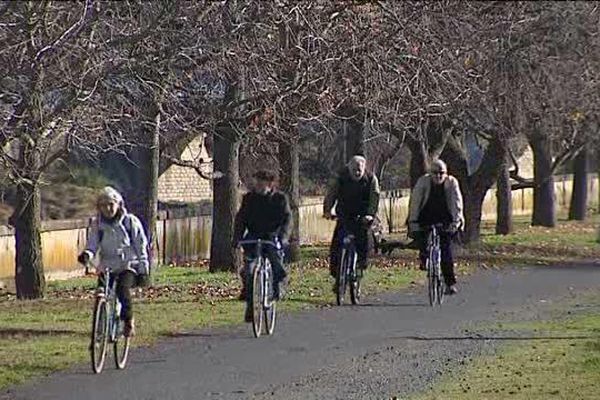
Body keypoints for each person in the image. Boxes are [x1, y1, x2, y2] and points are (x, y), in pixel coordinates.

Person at [77, 186, 149, 337]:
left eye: (111, 204)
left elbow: (141, 246)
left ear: (118, 204)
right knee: (101, 294)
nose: (108, 208)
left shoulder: (130, 222)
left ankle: (128, 321)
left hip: (128, 265)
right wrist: (87, 255)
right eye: (103, 205)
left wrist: (143, 270)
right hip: (107, 267)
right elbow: (92, 244)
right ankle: (101, 328)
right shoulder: (98, 225)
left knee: (122, 290)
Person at [233, 170, 292, 322]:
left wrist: (283, 238)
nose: (258, 184)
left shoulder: (280, 199)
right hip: (253, 236)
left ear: (270, 183)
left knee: (274, 257)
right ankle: (250, 302)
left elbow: (287, 220)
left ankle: (278, 281)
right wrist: (237, 238)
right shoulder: (249, 199)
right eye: (257, 181)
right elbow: (241, 219)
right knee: (248, 269)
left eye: (262, 181)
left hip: (272, 236)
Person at [407, 159, 464, 294]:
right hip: (426, 216)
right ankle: (424, 259)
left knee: (446, 251)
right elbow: (415, 202)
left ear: (446, 173)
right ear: (430, 173)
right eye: (435, 173)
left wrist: (456, 223)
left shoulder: (452, 183)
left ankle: (449, 284)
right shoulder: (423, 182)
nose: (438, 176)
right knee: (423, 239)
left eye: (441, 173)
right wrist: (413, 221)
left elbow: (457, 204)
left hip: (446, 218)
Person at [323, 155, 380, 290]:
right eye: (354, 169)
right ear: (349, 168)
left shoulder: (371, 179)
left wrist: (370, 215)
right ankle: (338, 276)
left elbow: (375, 198)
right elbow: (331, 194)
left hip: (362, 215)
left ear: (364, 168)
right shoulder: (341, 178)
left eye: (359, 170)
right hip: (344, 214)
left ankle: (360, 266)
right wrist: (327, 210)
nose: (357, 172)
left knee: (364, 241)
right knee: (337, 244)